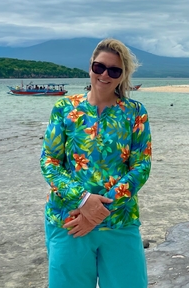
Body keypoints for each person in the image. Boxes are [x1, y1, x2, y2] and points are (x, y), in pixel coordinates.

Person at [40, 39, 152, 288]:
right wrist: (83, 200)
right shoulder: (64, 108)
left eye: (114, 70)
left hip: (119, 221)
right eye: (99, 67)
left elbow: (141, 167)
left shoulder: (134, 112)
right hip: (69, 220)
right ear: (90, 66)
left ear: (122, 76)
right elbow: (49, 162)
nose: (105, 75)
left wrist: (97, 212)